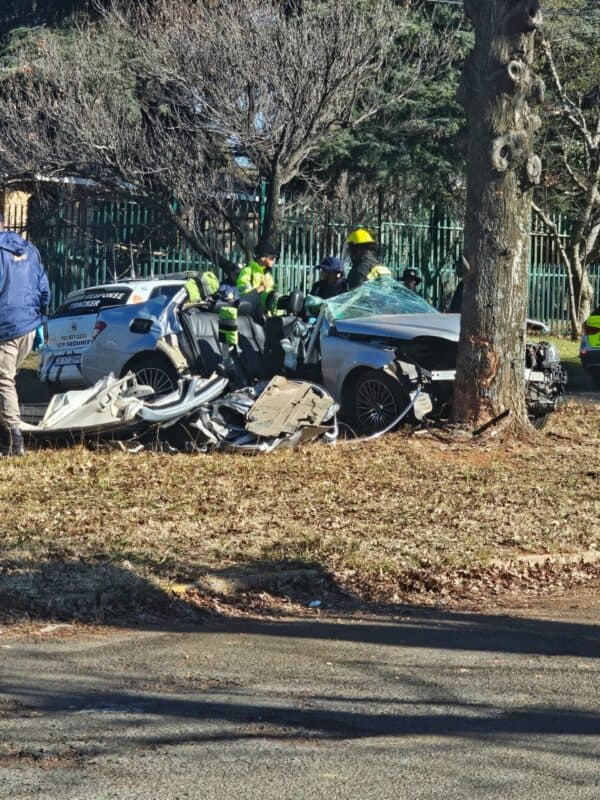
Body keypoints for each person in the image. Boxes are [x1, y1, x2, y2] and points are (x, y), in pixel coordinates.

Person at [0, 213, 51, 456]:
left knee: (3, 380)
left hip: (6, 327)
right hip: (28, 326)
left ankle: (13, 441)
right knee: (7, 379)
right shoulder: (30, 249)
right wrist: (40, 318)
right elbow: (44, 288)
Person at [237, 239, 278, 309]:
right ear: (263, 257)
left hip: (265, 315)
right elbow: (244, 298)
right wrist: (262, 287)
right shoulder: (247, 272)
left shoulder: (268, 275)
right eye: (272, 258)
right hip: (250, 316)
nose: (274, 260)